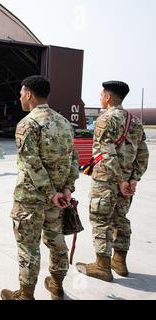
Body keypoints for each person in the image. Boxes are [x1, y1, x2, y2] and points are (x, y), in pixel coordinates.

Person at [0, 76, 79, 300]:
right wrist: (66, 189)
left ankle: (25, 295)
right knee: (57, 242)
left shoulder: (28, 124)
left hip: (31, 200)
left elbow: (31, 163)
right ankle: (56, 285)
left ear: (29, 95)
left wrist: (50, 192)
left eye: (21, 93)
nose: (19, 97)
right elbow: (73, 158)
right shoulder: (64, 122)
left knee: (29, 249)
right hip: (57, 200)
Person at [76, 81, 149, 281]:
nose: (100, 98)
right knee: (121, 219)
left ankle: (102, 266)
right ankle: (119, 262)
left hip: (106, 181)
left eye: (101, 95)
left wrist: (118, 180)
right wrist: (133, 179)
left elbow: (105, 154)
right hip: (126, 183)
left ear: (108, 97)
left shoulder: (105, 119)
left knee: (101, 221)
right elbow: (143, 153)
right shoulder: (134, 121)